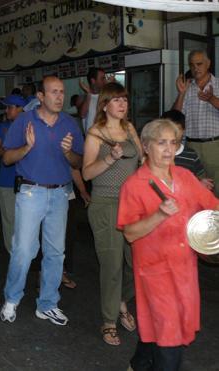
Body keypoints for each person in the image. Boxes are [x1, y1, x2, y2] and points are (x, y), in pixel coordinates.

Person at [117, 119, 219, 370]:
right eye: (161, 142)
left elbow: (213, 207)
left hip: (185, 269)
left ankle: (139, 364)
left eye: (173, 142)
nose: (168, 149)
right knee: (169, 334)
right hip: (155, 272)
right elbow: (129, 233)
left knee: (160, 326)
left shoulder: (185, 177)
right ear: (146, 146)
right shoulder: (135, 185)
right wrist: (159, 215)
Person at [0, 75, 83, 326]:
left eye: (61, 92)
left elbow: (78, 162)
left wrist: (69, 152)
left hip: (60, 193)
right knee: (24, 250)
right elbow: (6, 159)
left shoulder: (69, 123)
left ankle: (47, 304)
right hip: (31, 192)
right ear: (41, 97)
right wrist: (26, 147)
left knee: (56, 253)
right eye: (53, 92)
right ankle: (12, 299)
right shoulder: (25, 120)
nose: (59, 97)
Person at [82, 82, 142, 346]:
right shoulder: (96, 133)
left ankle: (120, 299)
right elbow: (86, 173)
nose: (122, 104)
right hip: (105, 203)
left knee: (137, 263)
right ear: (105, 104)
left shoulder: (129, 128)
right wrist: (109, 159)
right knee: (112, 264)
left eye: (125, 99)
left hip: (133, 204)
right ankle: (108, 321)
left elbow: (142, 161)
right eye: (116, 100)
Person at [173, 50, 219, 195]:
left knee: (216, 188)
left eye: (199, 64)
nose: (195, 68)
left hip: (214, 145)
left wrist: (211, 99)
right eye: (192, 65)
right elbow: (175, 117)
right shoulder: (187, 87)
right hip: (191, 145)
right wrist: (181, 94)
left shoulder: (218, 85)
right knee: (194, 189)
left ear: (208, 64)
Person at [0, 94, 26, 254]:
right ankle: (13, 253)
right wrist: (5, 150)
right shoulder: (2, 127)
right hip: (7, 180)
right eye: (6, 107)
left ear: (20, 108)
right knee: (9, 220)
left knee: (26, 220)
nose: (6, 110)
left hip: (27, 180)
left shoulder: (31, 126)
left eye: (9, 107)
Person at [161, 109, 213, 190]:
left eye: (177, 129)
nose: (173, 133)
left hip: (186, 199)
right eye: (169, 129)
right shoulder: (157, 154)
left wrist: (201, 183)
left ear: (183, 131)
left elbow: (200, 178)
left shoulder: (191, 155)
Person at [79, 67, 108, 133]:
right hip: (91, 140)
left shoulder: (106, 96)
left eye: (104, 78)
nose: (105, 81)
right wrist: (89, 94)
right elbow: (82, 115)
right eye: (102, 78)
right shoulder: (82, 98)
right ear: (93, 81)